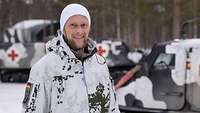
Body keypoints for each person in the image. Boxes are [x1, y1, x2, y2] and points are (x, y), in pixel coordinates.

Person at [22, 3, 120, 113]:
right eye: (73, 25)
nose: (79, 31)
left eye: (84, 25)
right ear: (63, 28)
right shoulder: (44, 68)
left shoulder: (100, 64)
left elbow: (113, 108)